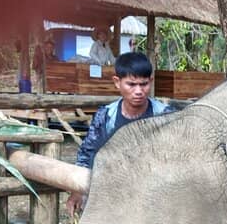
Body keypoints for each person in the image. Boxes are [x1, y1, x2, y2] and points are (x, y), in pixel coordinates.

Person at [68, 52, 173, 215]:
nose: (139, 91)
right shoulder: (106, 116)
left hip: (155, 197)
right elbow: (88, 154)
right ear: (117, 82)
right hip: (112, 194)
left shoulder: (166, 116)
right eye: (131, 84)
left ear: (151, 81)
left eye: (143, 84)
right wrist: (77, 191)